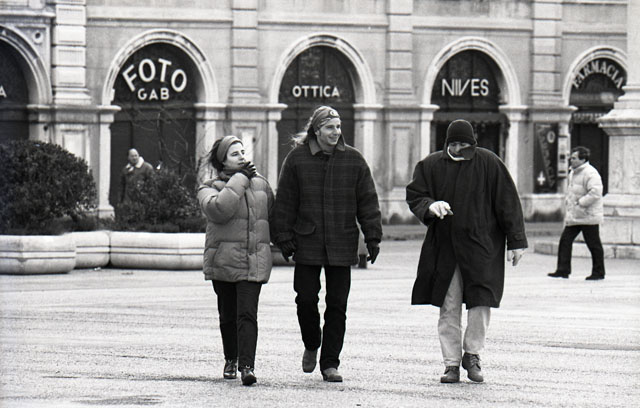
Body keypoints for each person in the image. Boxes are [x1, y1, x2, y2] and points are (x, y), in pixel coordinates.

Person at [406, 119, 527, 384]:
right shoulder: (431, 164)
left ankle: (472, 353)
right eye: (454, 144)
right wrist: (429, 206)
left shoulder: (489, 163)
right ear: (447, 143)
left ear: (473, 143)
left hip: (482, 246)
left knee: (481, 301)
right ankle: (451, 363)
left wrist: (516, 241)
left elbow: (508, 202)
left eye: (465, 144)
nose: (459, 149)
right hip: (445, 246)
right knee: (449, 305)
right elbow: (415, 194)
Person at [272, 106, 382, 383]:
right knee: (305, 299)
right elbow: (284, 201)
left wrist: (373, 236)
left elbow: (368, 202)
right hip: (307, 241)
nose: (336, 132)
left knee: (337, 305)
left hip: (342, 240)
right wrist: (283, 237)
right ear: (317, 130)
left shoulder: (354, 160)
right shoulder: (297, 159)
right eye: (330, 127)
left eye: (338, 126)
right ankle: (312, 343)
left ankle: (330, 363)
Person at [197, 135, 274, 386]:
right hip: (224, 261)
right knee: (228, 316)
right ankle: (231, 358)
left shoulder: (260, 184)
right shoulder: (208, 188)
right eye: (234, 154)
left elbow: (273, 216)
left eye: (242, 152)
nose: (242, 157)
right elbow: (220, 209)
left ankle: (247, 366)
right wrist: (240, 178)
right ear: (222, 161)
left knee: (248, 314)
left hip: (253, 261)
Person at [548, 146, 605, 280]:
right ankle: (563, 270)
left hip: (588, 215)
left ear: (583, 159)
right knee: (565, 241)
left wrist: (581, 202)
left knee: (593, 244)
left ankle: (598, 272)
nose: (571, 160)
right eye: (571, 158)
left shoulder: (591, 173)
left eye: (574, 158)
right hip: (576, 215)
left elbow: (596, 192)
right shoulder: (573, 172)